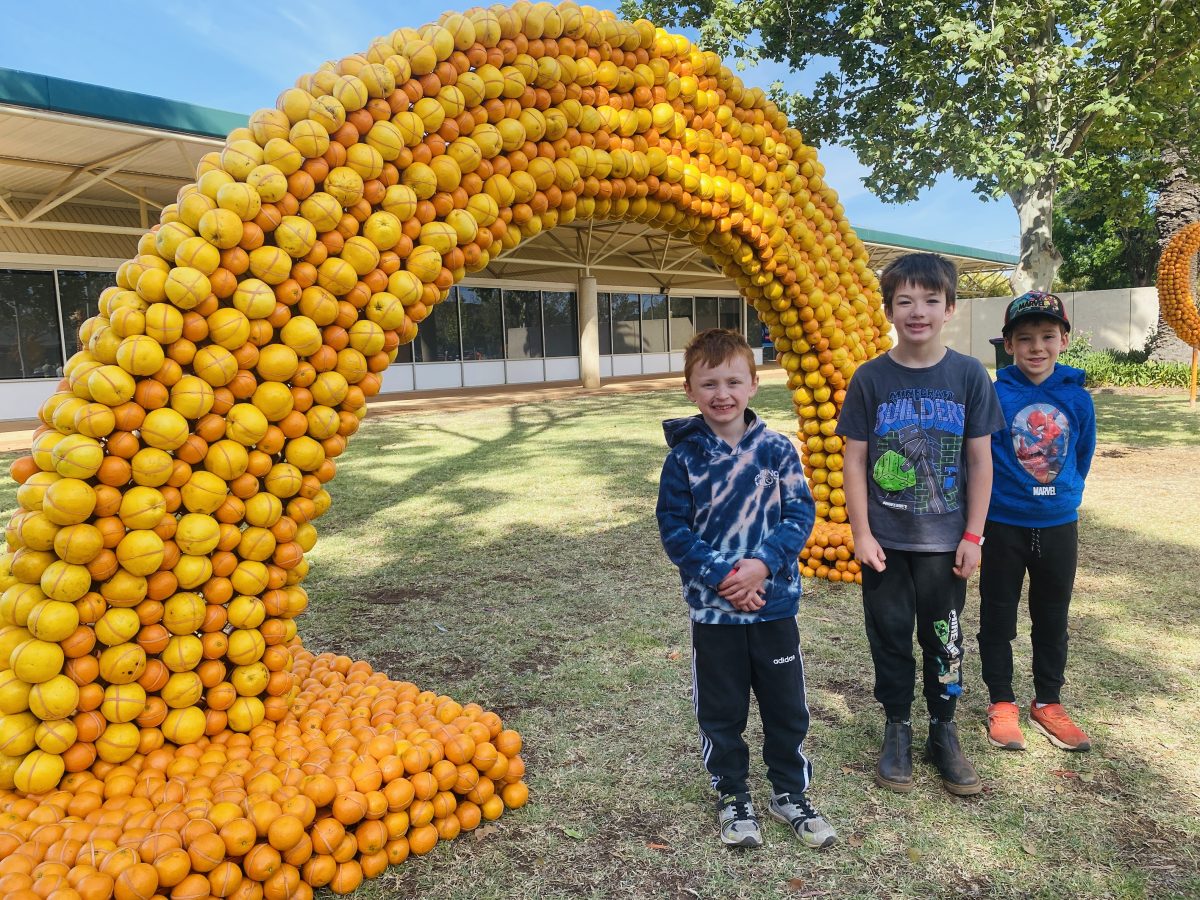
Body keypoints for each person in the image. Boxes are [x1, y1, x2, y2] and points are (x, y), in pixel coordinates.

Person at [656, 328, 835, 850]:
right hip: (715, 613)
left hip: (774, 605)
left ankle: (790, 793)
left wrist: (761, 566)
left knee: (786, 706)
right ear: (690, 389)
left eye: (733, 381)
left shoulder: (778, 450)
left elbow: (801, 513)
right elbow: (675, 528)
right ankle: (733, 795)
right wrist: (725, 577)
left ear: (755, 384)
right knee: (722, 709)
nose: (722, 394)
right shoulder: (684, 459)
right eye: (708, 383)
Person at [837, 253, 1005, 796]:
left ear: (950, 308)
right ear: (888, 310)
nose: (918, 311)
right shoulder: (870, 378)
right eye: (905, 301)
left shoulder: (968, 375)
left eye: (931, 300)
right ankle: (898, 727)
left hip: (945, 544)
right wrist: (861, 532)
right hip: (885, 542)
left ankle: (943, 726)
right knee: (889, 637)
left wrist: (974, 534)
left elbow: (981, 461)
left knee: (945, 638)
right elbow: (855, 460)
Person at [978, 291, 1096, 752]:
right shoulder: (994, 394)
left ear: (1063, 340)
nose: (1036, 347)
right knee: (998, 614)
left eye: (1047, 336)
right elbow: (982, 455)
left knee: (1051, 616)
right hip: (1003, 523)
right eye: (1024, 338)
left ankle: (1048, 700)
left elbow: (1081, 454)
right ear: (1008, 344)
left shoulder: (1076, 397)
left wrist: (1061, 495)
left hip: (1058, 523)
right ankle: (1001, 700)